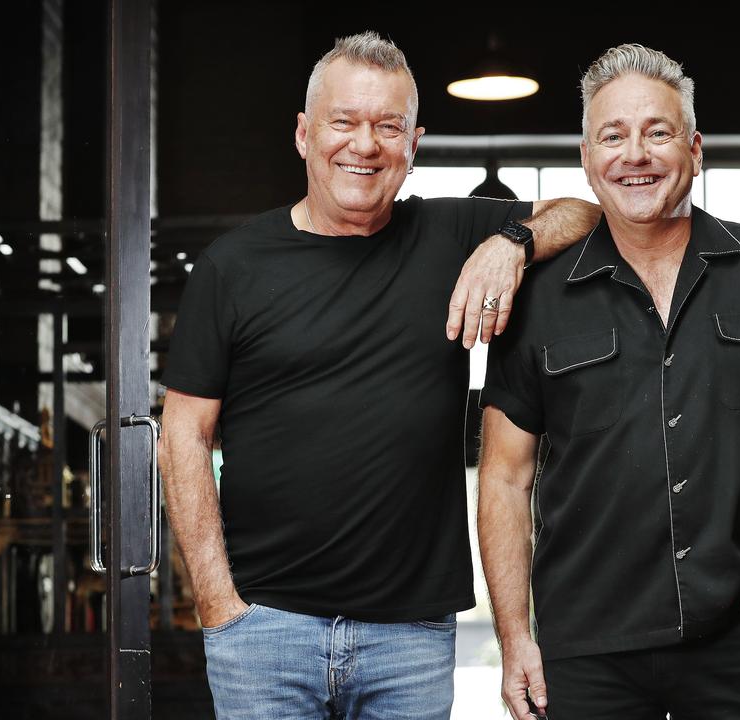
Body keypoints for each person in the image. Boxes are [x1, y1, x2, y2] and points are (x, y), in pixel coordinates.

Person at [159, 32, 599, 720]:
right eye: (344, 121)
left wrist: (512, 243)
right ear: (304, 134)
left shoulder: (450, 234)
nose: (364, 144)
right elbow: (183, 434)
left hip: (410, 640)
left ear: (412, 143)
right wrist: (216, 601)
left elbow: (586, 213)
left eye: (387, 126)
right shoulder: (233, 267)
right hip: (265, 631)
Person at [478, 44, 740, 719]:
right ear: (587, 158)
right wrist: (515, 638)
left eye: (657, 132)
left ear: (694, 149)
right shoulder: (537, 298)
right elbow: (503, 478)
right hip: (584, 652)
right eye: (614, 135)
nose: (636, 154)